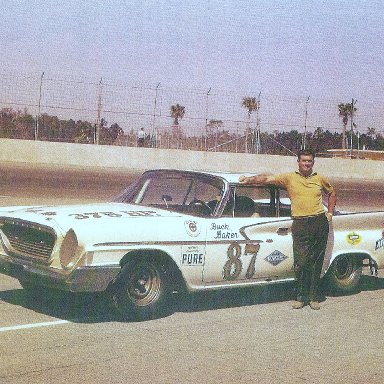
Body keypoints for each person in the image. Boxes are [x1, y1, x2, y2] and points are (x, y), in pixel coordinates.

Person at [239, 148, 337, 310]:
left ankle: (313, 297)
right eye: (304, 160)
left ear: (313, 163)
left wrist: (330, 213)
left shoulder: (320, 178)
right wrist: (248, 180)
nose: (307, 163)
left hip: (319, 222)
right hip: (300, 223)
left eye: (309, 161)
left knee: (316, 261)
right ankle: (300, 297)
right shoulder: (289, 178)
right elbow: (267, 179)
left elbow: (332, 193)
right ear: (298, 162)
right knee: (301, 261)